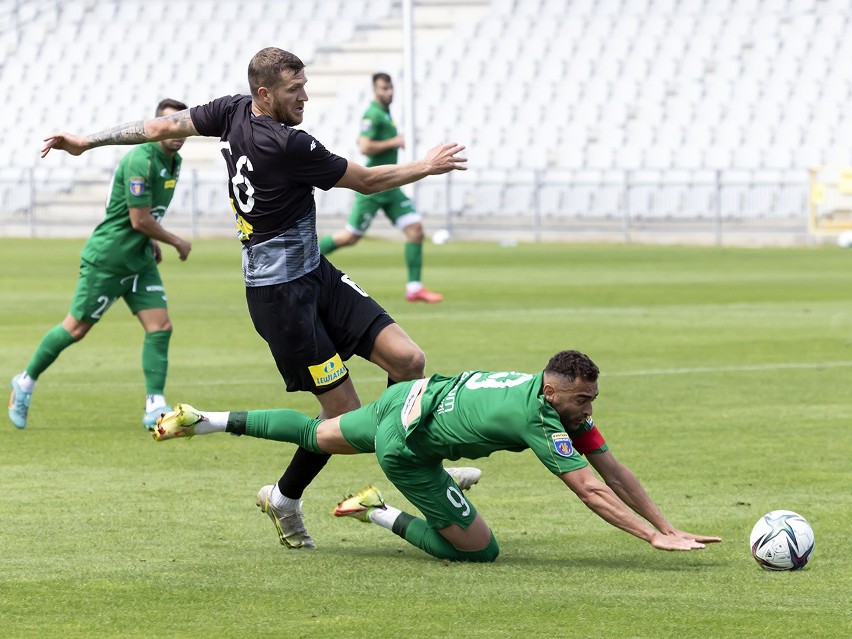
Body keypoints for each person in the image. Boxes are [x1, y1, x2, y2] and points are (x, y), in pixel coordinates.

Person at [40, 48, 466, 549]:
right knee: (343, 417)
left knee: (409, 359)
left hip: (315, 274)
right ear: (266, 93)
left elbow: (159, 128)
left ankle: (414, 464)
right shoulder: (288, 144)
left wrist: (87, 141)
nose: (305, 95)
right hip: (280, 299)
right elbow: (369, 181)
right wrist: (428, 166)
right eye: (294, 89)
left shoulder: (233, 109)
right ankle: (286, 496)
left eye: (304, 84)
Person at [151, 350, 722, 562]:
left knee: (314, 434)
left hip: (408, 397)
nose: (587, 409)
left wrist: (669, 525)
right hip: (407, 448)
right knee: (480, 552)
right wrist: (651, 539)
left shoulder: (554, 402)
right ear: (552, 391)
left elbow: (613, 470)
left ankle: (206, 420)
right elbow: (592, 490)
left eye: (591, 399)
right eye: (581, 399)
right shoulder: (540, 417)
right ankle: (375, 507)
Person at [9, 99, 191, 431]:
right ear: (156, 127)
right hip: (109, 259)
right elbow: (138, 219)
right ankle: (25, 381)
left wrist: (150, 241)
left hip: (139, 260)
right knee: (75, 329)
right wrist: (175, 240)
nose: (176, 132)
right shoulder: (141, 158)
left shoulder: (174, 161)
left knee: (160, 327)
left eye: (182, 126)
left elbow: (138, 214)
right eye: (169, 125)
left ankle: (154, 405)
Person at [318, 73, 443, 304]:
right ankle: (306, 257)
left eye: (390, 88)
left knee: (415, 230)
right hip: (373, 186)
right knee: (350, 237)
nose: (389, 92)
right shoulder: (373, 114)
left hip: (391, 187)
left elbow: (363, 140)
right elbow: (365, 147)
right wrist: (394, 142)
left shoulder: (385, 114)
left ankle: (414, 289)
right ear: (375, 90)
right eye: (384, 88)